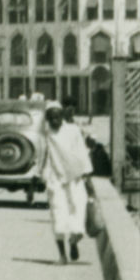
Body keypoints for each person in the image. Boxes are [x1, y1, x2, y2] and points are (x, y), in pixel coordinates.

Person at [42, 97, 96, 264]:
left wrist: (87, 177)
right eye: (51, 117)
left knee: (78, 213)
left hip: (75, 179)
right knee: (58, 216)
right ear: (47, 118)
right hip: (55, 180)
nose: (54, 120)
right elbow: (43, 155)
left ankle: (73, 240)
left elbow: (81, 152)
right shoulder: (46, 133)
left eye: (57, 117)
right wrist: (40, 176)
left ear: (62, 116)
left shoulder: (73, 131)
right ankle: (62, 256)